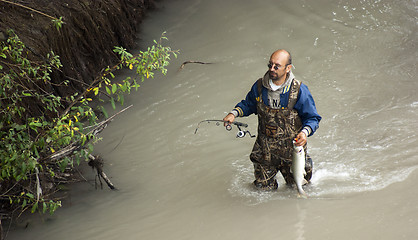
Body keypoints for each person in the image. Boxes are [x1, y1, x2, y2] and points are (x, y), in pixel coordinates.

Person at [223, 49, 321, 190]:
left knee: (298, 189)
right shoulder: (259, 87)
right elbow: (249, 104)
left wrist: (304, 133)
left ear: (288, 68)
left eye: (277, 66)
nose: (272, 69)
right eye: (270, 65)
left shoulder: (299, 90)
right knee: (262, 192)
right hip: (265, 152)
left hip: (292, 152)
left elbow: (312, 118)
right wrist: (234, 114)